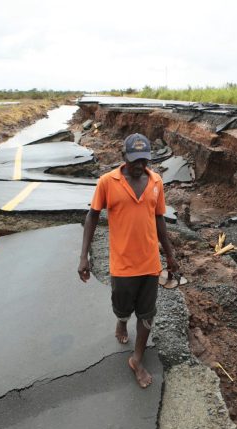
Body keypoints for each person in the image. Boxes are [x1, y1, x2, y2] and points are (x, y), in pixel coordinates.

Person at [78, 133, 179, 388]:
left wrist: (170, 254)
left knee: (147, 314)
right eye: (134, 160)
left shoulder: (156, 181)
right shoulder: (107, 182)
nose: (139, 166)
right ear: (123, 157)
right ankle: (121, 322)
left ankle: (137, 358)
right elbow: (92, 217)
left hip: (149, 263)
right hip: (122, 264)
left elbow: (159, 220)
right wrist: (84, 256)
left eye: (144, 160)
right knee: (122, 306)